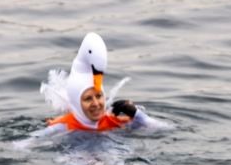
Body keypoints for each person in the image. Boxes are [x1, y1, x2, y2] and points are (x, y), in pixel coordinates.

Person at [14, 32, 160, 148]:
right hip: (78, 160)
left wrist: (138, 114)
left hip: (113, 159)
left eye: (99, 96)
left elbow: (161, 130)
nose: (96, 103)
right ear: (76, 103)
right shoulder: (63, 125)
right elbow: (23, 145)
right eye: (88, 98)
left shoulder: (112, 121)